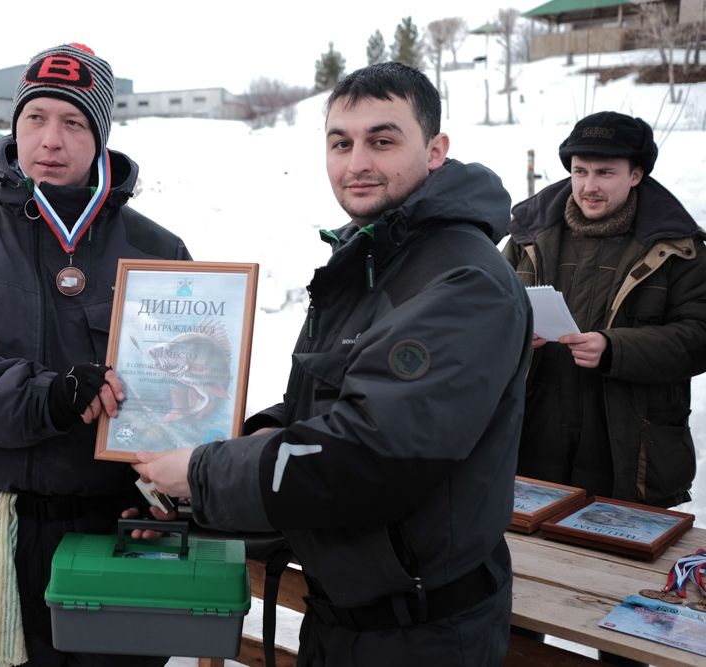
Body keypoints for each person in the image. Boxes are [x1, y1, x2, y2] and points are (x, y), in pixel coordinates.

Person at [133, 62, 533, 666]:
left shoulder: (459, 280)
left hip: (420, 637)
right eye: (340, 143)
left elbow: (371, 453)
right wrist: (221, 456)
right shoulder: (372, 258)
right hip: (347, 616)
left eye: (382, 139)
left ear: (436, 150)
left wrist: (207, 472)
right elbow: (323, 403)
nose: (357, 163)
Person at [0, 43, 190, 667]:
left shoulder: (158, 249)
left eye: (73, 122)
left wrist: (166, 498)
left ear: (99, 135)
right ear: (14, 127)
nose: (50, 140)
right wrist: (43, 395)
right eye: (35, 118)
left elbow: (187, 385)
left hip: (115, 530)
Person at [504, 111, 706, 509]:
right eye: (580, 172)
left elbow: (700, 335)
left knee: (618, 568)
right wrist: (511, 333)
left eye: (605, 173)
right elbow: (481, 314)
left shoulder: (679, 248)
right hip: (531, 438)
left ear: (636, 175)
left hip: (629, 450)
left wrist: (615, 349)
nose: (588, 186)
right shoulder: (526, 236)